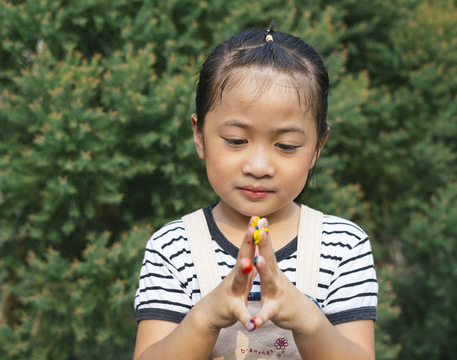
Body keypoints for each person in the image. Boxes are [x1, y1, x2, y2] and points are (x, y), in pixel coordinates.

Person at [133, 21, 378, 360]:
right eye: (236, 141)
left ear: (318, 147)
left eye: (286, 145)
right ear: (199, 135)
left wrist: (309, 321)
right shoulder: (174, 249)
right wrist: (205, 317)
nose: (259, 166)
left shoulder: (342, 247)